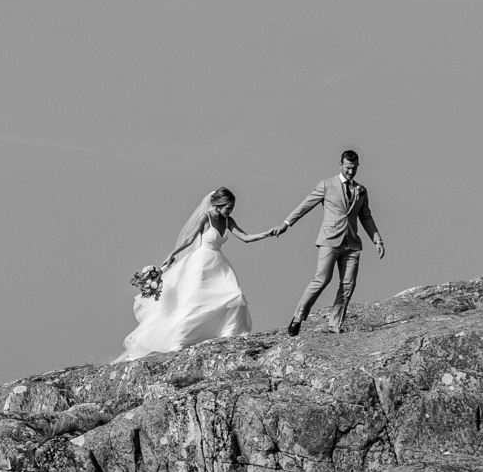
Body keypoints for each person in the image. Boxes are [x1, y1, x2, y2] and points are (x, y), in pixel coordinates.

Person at [118, 188, 271, 362]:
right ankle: (180, 340)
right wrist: (172, 254)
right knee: (195, 301)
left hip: (219, 264)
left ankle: (229, 334)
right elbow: (189, 239)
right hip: (201, 263)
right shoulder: (205, 217)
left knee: (233, 296)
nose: (231, 211)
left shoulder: (228, 220)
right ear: (219, 204)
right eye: (228, 207)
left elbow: (245, 237)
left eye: (232, 208)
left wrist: (267, 233)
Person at [268, 149, 384, 336]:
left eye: (354, 169)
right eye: (347, 168)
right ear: (340, 165)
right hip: (330, 240)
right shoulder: (326, 185)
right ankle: (298, 317)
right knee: (321, 280)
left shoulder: (361, 190)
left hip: (352, 243)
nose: (350, 172)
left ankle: (335, 325)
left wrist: (377, 239)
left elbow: (366, 217)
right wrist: (287, 223)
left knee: (348, 284)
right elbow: (305, 205)